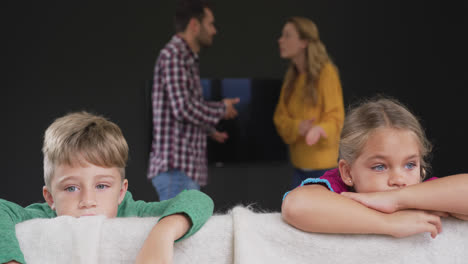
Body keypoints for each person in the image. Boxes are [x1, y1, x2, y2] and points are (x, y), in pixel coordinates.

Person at [0, 112, 214, 264]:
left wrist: (163, 233)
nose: (87, 201)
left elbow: (197, 199)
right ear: (50, 197)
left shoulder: (134, 213)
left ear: (121, 191)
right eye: (71, 188)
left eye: (101, 185)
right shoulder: (42, 217)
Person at [281, 98, 468, 239]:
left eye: (410, 165)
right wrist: (388, 223)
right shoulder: (340, 189)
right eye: (380, 167)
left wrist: (395, 199)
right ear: (347, 172)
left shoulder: (419, 193)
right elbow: (296, 205)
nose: (399, 179)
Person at [148, 0, 239, 201]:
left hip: (183, 170)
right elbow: (183, 108)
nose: (214, 30)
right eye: (210, 24)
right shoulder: (174, 55)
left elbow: (181, 109)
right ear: (194, 25)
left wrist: (210, 131)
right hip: (176, 169)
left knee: (185, 230)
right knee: (180, 232)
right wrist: (221, 109)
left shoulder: (185, 57)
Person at [273, 17, 344, 189]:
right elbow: (280, 119)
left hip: (324, 170)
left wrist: (319, 130)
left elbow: (336, 118)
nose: (280, 40)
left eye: (287, 35)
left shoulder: (326, 73)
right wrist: (299, 127)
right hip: (299, 168)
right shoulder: (292, 78)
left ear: (304, 42)